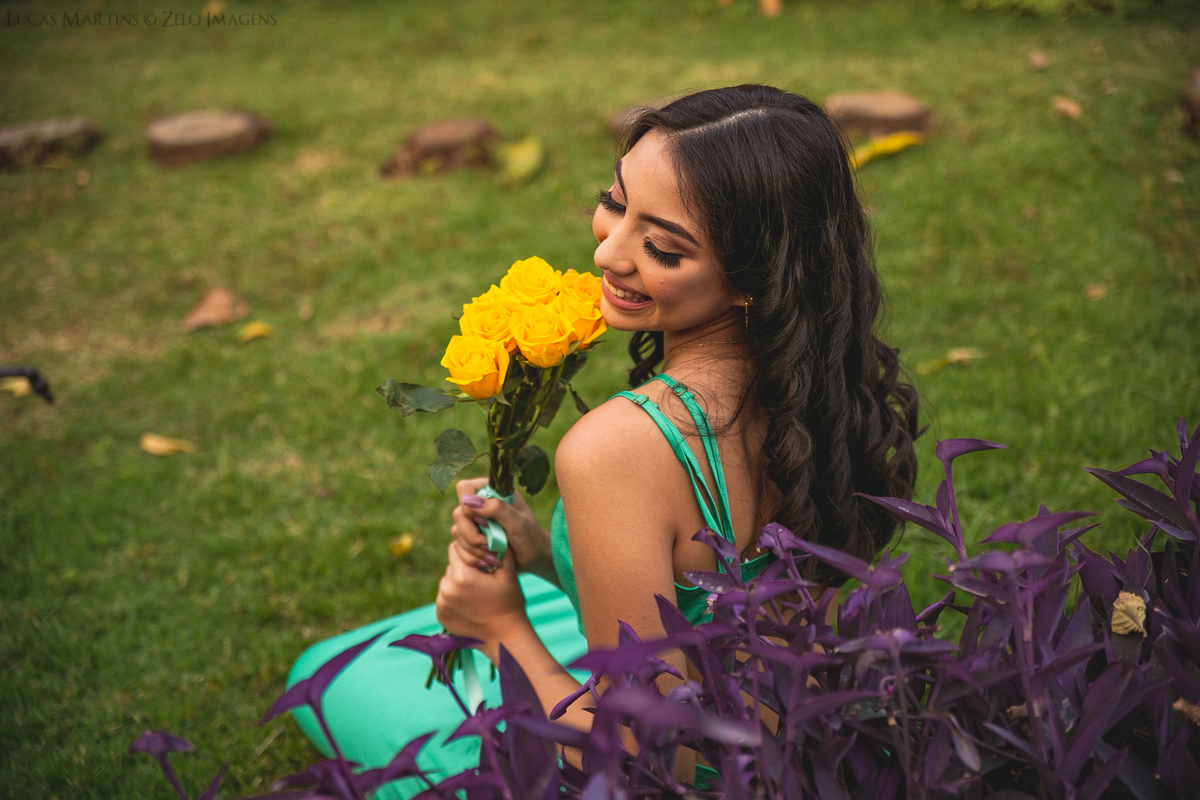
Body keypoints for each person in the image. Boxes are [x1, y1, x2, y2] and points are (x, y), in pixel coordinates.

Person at [286, 84, 919, 798]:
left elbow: (647, 755)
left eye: (662, 247)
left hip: (700, 776)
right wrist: (546, 552)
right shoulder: (822, 394)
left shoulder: (620, 446)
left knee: (333, 673)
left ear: (754, 277)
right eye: (615, 203)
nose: (608, 252)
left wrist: (502, 632)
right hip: (811, 744)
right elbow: (723, 616)